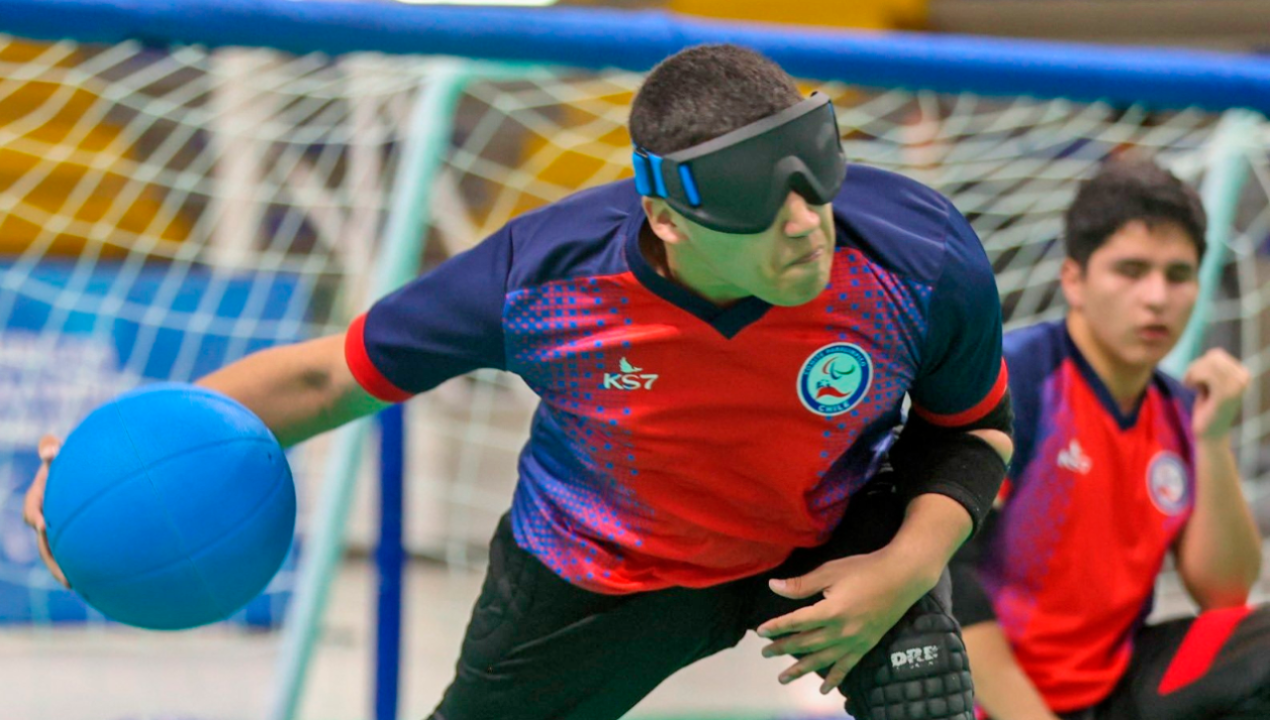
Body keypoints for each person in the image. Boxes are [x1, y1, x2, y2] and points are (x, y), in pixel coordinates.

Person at [25, 44, 1013, 720]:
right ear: (667, 218)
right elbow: (329, 377)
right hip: (600, 572)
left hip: (834, 532)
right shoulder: (543, 281)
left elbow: (972, 429)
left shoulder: (917, 253)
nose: (805, 221)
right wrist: (121, 455)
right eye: (759, 196)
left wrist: (907, 564)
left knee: (928, 699)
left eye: (814, 172)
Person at [950, 157, 1269, 720]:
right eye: (1131, 270)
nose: (1156, 297)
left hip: (1114, 685)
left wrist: (1213, 439)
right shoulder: (1015, 382)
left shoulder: (1180, 410)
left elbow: (1224, 595)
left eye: (1178, 275)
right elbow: (947, 578)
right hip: (989, 696)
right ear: (1074, 279)